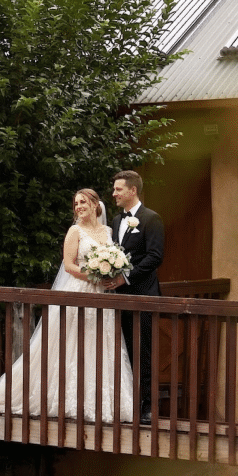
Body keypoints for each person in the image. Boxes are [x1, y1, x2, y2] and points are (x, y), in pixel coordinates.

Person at [0, 189, 134, 423]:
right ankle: (66, 399)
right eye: (76, 203)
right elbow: (69, 266)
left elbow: (113, 258)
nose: (78, 206)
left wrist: (110, 271)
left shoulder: (108, 231)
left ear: (95, 204)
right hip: (78, 292)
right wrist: (95, 274)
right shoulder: (74, 231)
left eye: (83, 202)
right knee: (70, 343)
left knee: (98, 343)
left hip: (102, 297)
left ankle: (102, 402)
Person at [105, 170, 164, 423]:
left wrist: (125, 277)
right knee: (125, 350)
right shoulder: (117, 221)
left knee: (145, 350)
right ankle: (130, 403)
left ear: (132, 191)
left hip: (144, 295)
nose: (114, 194)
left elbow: (155, 256)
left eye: (118, 189)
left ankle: (149, 406)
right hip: (119, 298)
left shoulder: (151, 219)